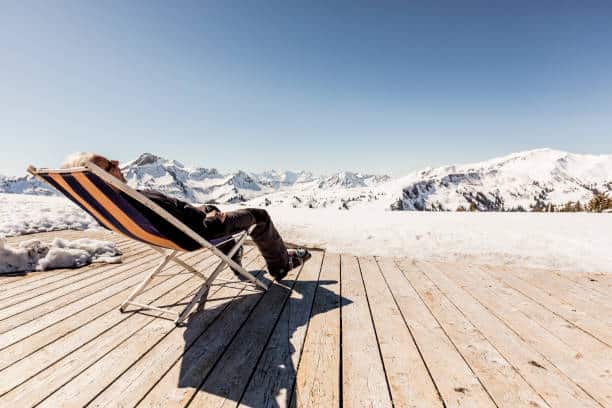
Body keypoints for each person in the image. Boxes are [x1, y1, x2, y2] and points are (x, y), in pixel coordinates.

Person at [61, 152, 310, 280]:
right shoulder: (133, 199)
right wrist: (211, 218)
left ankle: (236, 262)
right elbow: (183, 223)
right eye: (109, 165)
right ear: (101, 178)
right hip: (198, 231)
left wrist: (204, 211)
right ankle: (280, 265)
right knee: (260, 215)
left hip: (192, 224)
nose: (118, 163)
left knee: (212, 205)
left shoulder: (121, 200)